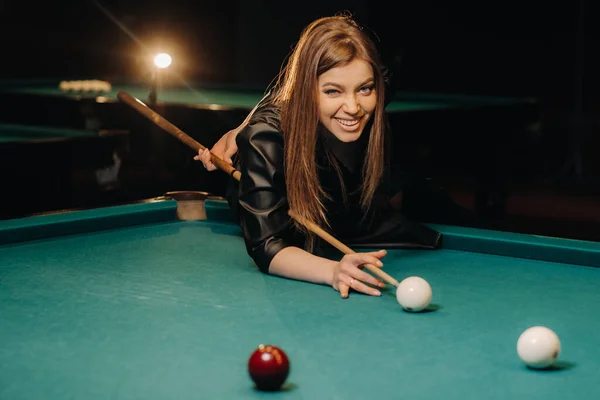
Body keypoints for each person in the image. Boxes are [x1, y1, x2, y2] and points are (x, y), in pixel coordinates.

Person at [196, 13, 443, 299]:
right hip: (278, 210)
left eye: (365, 88)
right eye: (332, 91)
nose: (353, 107)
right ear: (306, 91)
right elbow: (267, 245)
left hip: (337, 203)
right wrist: (333, 271)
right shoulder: (266, 137)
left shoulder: (371, 85)